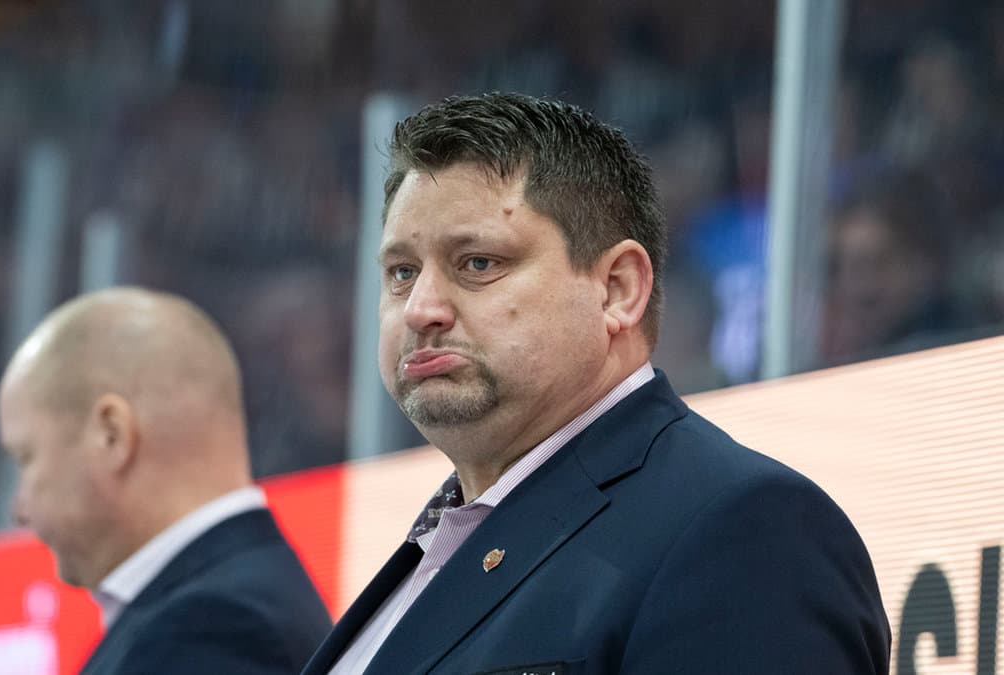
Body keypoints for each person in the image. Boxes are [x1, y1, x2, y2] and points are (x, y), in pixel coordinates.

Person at [304, 93, 890, 674]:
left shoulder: (749, 533)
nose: (420, 309)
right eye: (402, 272)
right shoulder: (435, 548)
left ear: (617, 290)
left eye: (478, 263)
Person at [0, 287, 331, 674]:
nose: (19, 509)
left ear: (112, 435)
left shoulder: (210, 628)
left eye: (26, 458)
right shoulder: (214, 611)